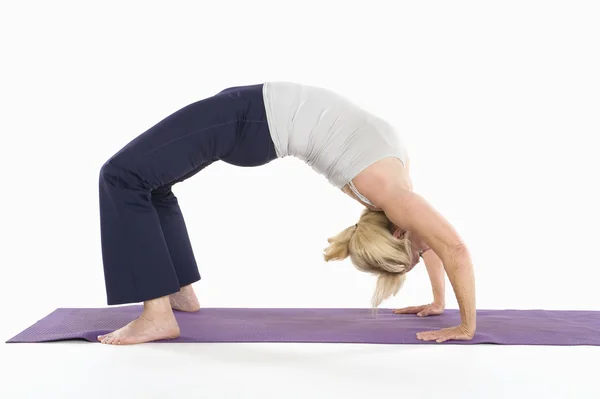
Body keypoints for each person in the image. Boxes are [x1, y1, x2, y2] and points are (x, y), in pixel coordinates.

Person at [97, 82, 476, 345]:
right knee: (153, 183)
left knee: (121, 176)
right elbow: (441, 245)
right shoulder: (398, 196)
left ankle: (156, 316)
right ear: (400, 232)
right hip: (252, 119)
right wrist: (448, 310)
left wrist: (463, 324)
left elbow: (448, 247)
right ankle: (178, 293)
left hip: (249, 120)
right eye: (416, 256)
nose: (425, 249)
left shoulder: (396, 191)